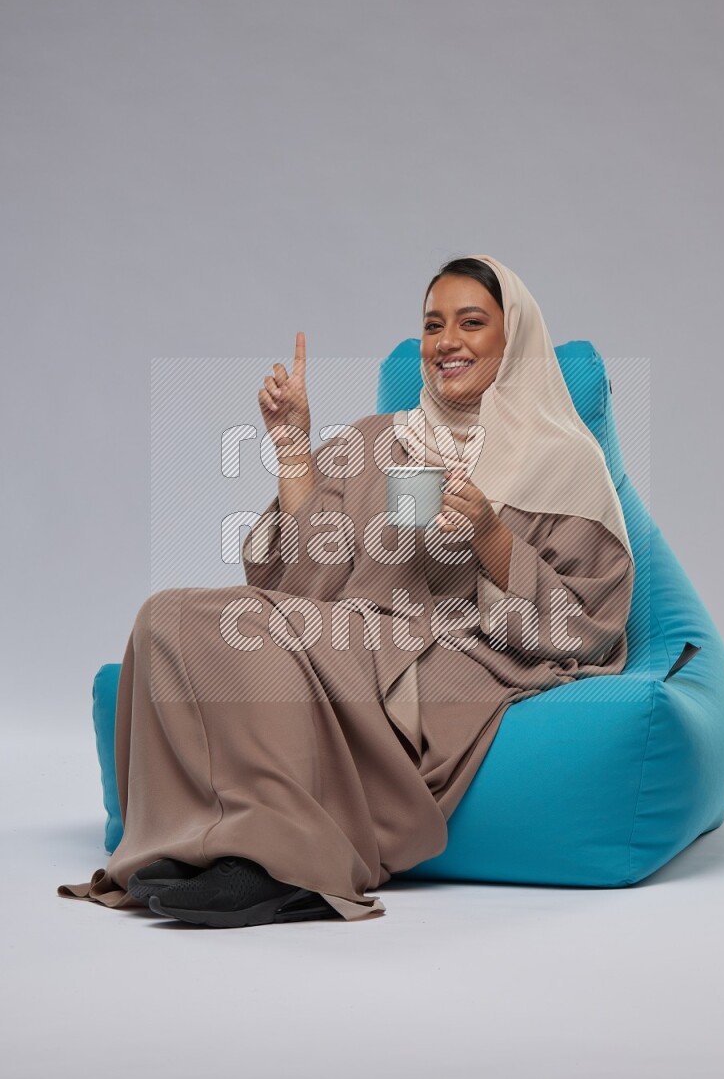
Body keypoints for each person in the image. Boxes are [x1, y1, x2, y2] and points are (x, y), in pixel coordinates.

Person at [57, 254, 635, 928]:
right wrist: (295, 448)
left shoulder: (559, 458)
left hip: (457, 654)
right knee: (169, 618)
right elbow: (302, 583)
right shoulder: (377, 440)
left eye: (471, 322)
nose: (446, 341)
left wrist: (490, 534)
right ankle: (191, 842)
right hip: (351, 632)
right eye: (432, 324)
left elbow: (588, 625)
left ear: (514, 340)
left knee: (271, 639)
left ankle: (280, 864)